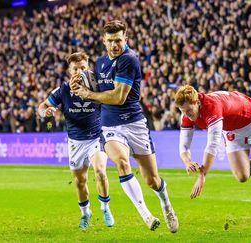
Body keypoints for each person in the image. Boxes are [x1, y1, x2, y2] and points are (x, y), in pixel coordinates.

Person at [70, 20, 178, 233]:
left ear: (125, 39)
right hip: (110, 126)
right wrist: (80, 83)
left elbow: (119, 97)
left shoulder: (129, 60)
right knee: (121, 162)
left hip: (135, 124)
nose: (114, 45)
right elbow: (97, 89)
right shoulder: (100, 63)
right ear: (104, 40)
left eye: (118, 40)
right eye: (110, 41)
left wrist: (89, 94)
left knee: (152, 180)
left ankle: (166, 205)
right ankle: (146, 215)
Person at [38, 52, 114, 229]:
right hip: (75, 142)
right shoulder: (63, 90)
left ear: (88, 68)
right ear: (69, 71)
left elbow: (113, 97)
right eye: (75, 69)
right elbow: (42, 107)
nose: (79, 71)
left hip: (96, 137)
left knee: (101, 172)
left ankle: (105, 208)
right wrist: (45, 112)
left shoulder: (97, 86)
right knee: (80, 182)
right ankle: (85, 213)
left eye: (82, 68)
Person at [174, 85, 251, 199]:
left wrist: (202, 174)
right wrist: (187, 161)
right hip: (231, 129)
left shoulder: (212, 107)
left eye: (189, 110)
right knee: (242, 177)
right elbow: (184, 144)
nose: (187, 114)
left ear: (197, 102)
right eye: (183, 111)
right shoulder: (187, 113)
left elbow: (213, 144)